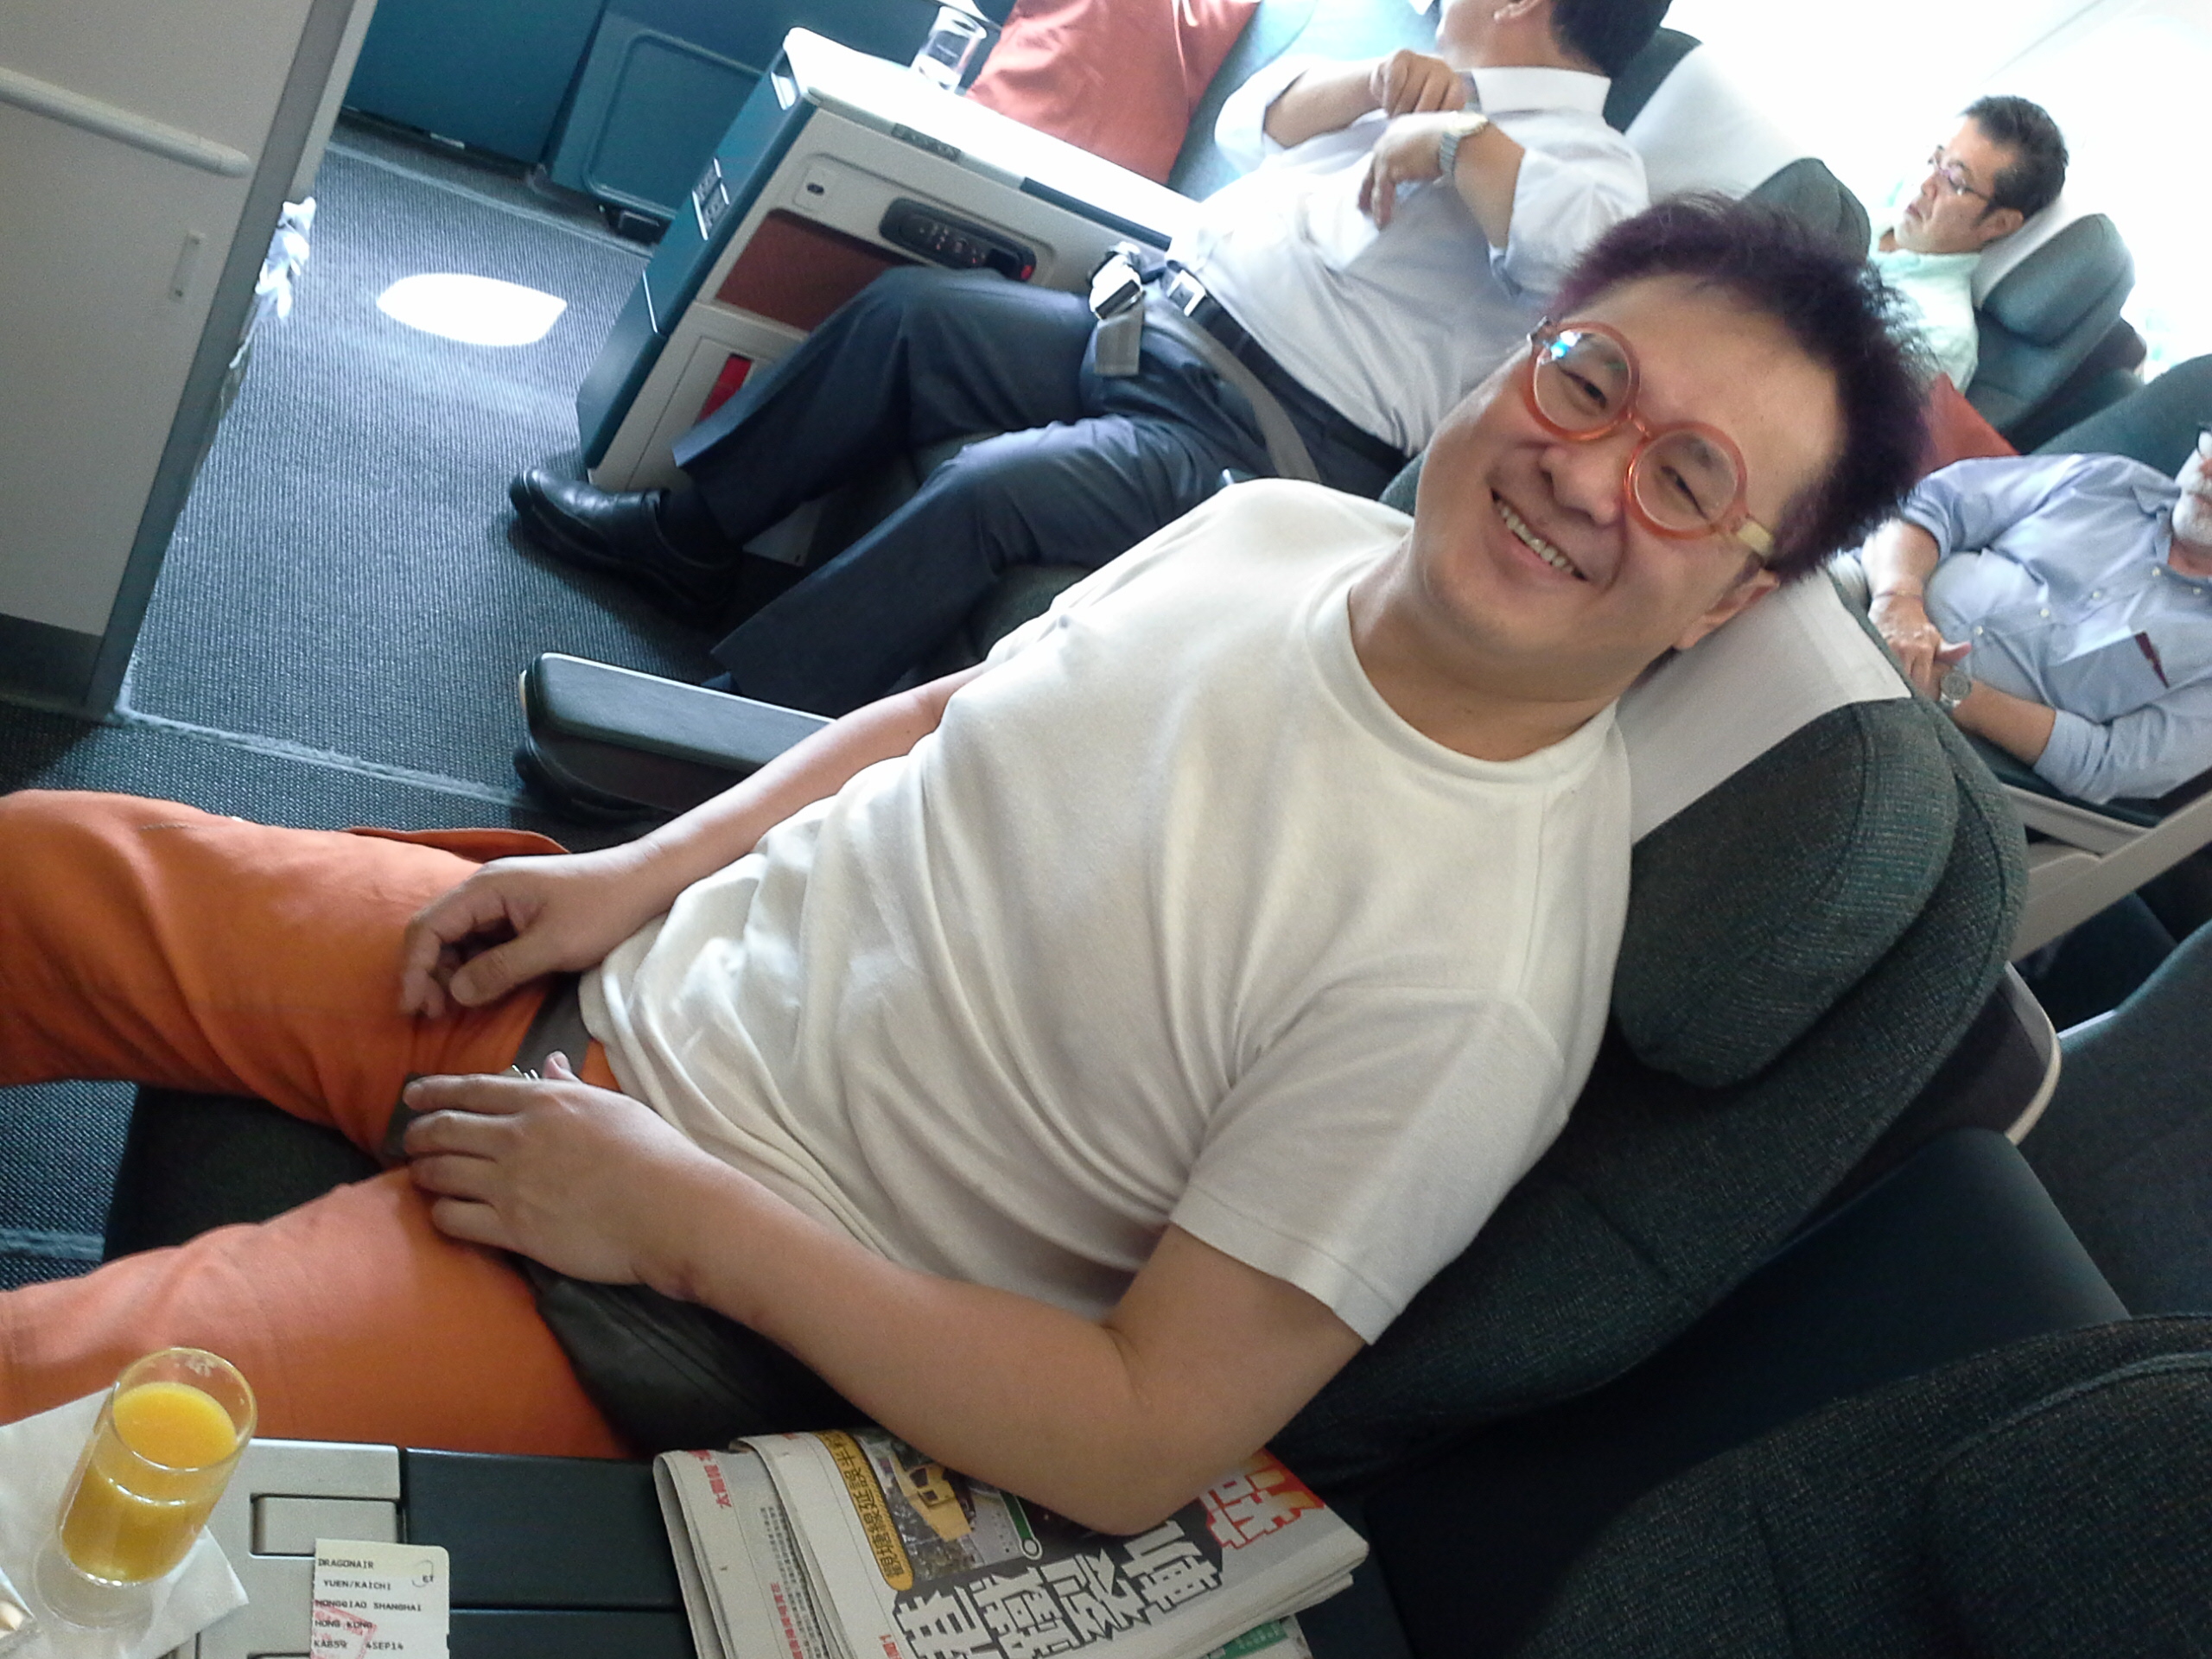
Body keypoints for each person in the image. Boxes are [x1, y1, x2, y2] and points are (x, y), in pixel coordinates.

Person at [0, 200, 1922, 1534]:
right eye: (1587, 378)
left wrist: (676, 1219)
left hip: (675, 1271)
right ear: (1514, 366)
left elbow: (1138, 1439)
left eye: (1687, 479)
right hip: (601, 985)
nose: (1588, 470)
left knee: (50, 1424)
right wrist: (632, 874)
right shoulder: (1270, 527)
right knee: (42, 868)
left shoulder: (1474, 986)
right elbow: (950, 714)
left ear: (1726, 601)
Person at [510, 0, 1662, 715]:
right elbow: (1247, 126)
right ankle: (689, 539)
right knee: (913, 317)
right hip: (1144, 327)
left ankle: (726, 723)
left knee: (992, 490)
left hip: (1254, 444)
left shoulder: (1598, 173)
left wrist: (1460, 140)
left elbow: (1566, 251)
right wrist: (1379, 89)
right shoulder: (1411, 68)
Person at [1859, 429, 2212, 804]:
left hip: (1946, 742)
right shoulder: (2110, 480)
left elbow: (2109, 764)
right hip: (1871, 598)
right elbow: (1934, 504)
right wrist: (1898, 600)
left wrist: (1948, 688)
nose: (2206, 469)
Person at [1868, 94, 2067, 391]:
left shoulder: (1937, 335)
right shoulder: (1868, 213)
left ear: (1998, 223)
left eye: (1954, 181)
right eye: (1935, 160)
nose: (1925, 184)